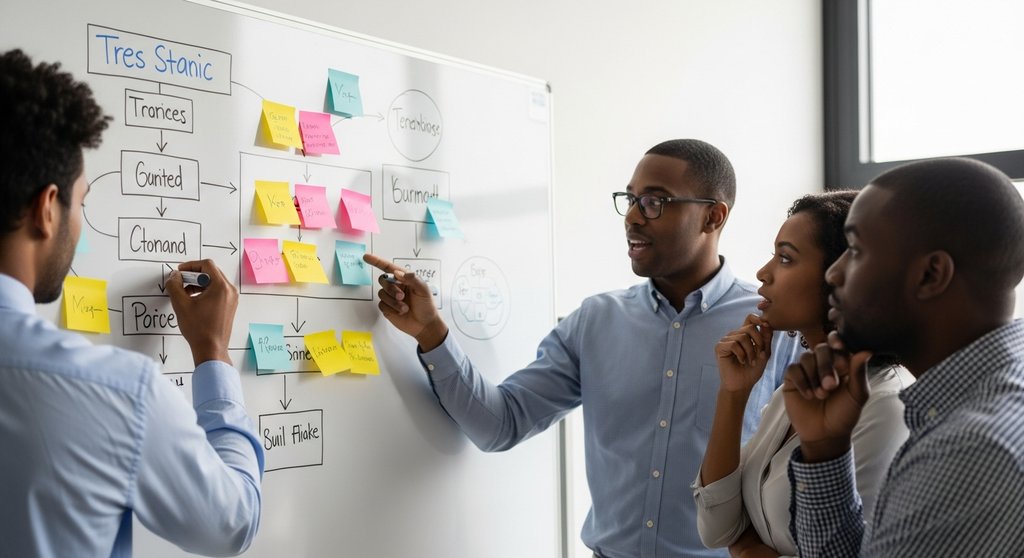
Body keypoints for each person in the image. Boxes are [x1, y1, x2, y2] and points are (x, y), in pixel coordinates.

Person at [364, 139, 800, 558]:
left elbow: (809, 469)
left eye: (654, 201)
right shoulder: (596, 321)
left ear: (713, 217)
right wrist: (431, 332)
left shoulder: (773, 326)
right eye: (629, 200)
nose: (632, 216)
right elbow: (500, 424)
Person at [0, 49, 263, 557]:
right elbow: (231, 523)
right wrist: (212, 351)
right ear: (45, 209)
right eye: (81, 201)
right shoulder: (118, 392)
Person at [782, 157, 1024, 557]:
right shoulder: (978, 407)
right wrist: (825, 449)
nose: (834, 274)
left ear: (931, 275)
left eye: (855, 250)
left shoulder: (971, 450)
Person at [691, 192, 914, 557]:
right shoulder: (797, 390)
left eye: (785, 258)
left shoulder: (888, 406)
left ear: (843, 275)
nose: (763, 273)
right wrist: (734, 394)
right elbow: (718, 529)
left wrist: (746, 549)